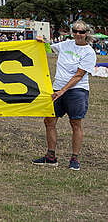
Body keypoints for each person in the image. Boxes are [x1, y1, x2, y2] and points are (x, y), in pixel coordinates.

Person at [32, 21, 97, 170]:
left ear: (86, 33)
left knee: (75, 123)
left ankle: (74, 158)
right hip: (57, 88)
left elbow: (78, 75)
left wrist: (62, 91)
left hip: (77, 91)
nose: (78, 34)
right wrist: (41, 41)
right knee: (49, 120)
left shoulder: (89, 52)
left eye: (81, 32)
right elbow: (48, 47)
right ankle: (50, 156)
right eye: (75, 31)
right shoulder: (65, 44)